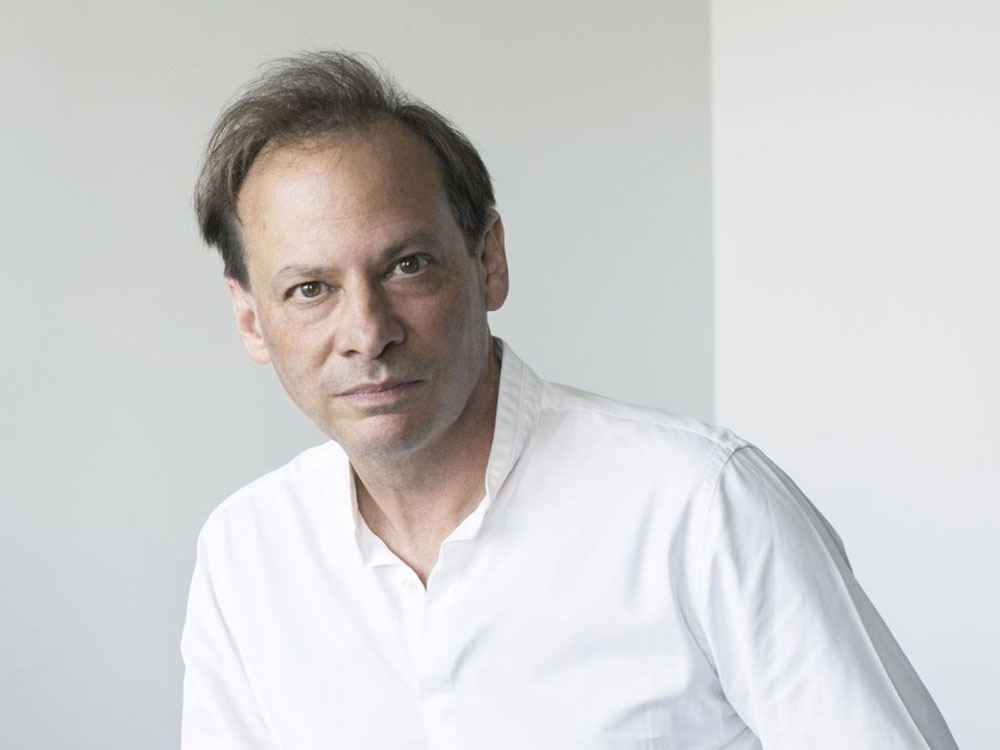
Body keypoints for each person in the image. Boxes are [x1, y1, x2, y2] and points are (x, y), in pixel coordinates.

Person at [181, 51, 958, 749]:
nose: (368, 331)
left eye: (409, 265)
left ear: (489, 260)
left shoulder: (698, 506)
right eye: (310, 289)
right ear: (252, 318)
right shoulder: (246, 554)